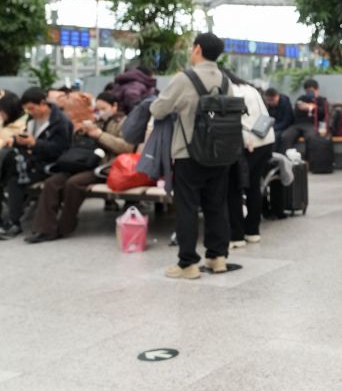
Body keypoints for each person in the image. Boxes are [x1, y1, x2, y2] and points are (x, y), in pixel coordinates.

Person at [150, 32, 234, 279]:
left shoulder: (184, 78)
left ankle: (188, 263)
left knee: (187, 207)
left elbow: (158, 109)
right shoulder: (225, 80)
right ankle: (217, 257)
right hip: (220, 153)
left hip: (189, 153)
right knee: (216, 205)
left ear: (197, 49)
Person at [27, 92, 134, 243]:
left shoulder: (124, 122)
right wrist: (80, 132)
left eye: (103, 109)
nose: (99, 112)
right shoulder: (93, 121)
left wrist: (99, 135)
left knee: (74, 183)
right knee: (52, 183)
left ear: (114, 106)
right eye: (97, 109)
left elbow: (127, 147)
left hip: (105, 167)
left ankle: (65, 226)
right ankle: (44, 229)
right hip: (82, 163)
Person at [0, 87, 73, 239]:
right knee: (11, 169)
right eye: (26, 109)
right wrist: (15, 140)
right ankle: (12, 222)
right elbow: (26, 140)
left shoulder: (60, 122)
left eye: (31, 108)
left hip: (50, 165)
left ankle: (13, 222)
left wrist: (35, 143)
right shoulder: (32, 119)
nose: (29, 112)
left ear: (42, 103)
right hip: (31, 162)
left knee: (14, 176)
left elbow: (61, 150)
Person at [224, 69, 275, 247]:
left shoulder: (229, 90)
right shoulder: (250, 88)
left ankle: (236, 236)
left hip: (248, 143)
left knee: (234, 188)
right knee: (254, 186)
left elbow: (233, 120)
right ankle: (252, 232)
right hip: (266, 139)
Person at [280, 79, 327, 153]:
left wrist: (313, 107)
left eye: (311, 91)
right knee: (286, 136)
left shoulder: (321, 100)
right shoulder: (301, 99)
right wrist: (306, 107)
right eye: (307, 91)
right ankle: (287, 157)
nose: (309, 93)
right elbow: (297, 110)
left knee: (311, 137)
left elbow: (323, 113)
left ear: (316, 90)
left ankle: (309, 158)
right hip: (298, 124)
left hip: (311, 125)